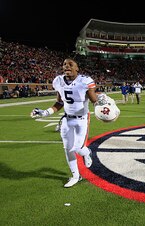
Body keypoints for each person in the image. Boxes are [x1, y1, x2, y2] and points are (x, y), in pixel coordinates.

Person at [30, 58, 98, 188]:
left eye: (70, 64)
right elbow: (59, 103)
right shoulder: (59, 81)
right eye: (64, 64)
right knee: (68, 149)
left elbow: (94, 100)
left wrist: (102, 106)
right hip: (67, 119)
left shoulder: (85, 81)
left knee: (78, 148)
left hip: (82, 119)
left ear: (77, 68)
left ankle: (87, 152)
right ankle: (75, 176)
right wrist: (44, 112)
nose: (66, 66)